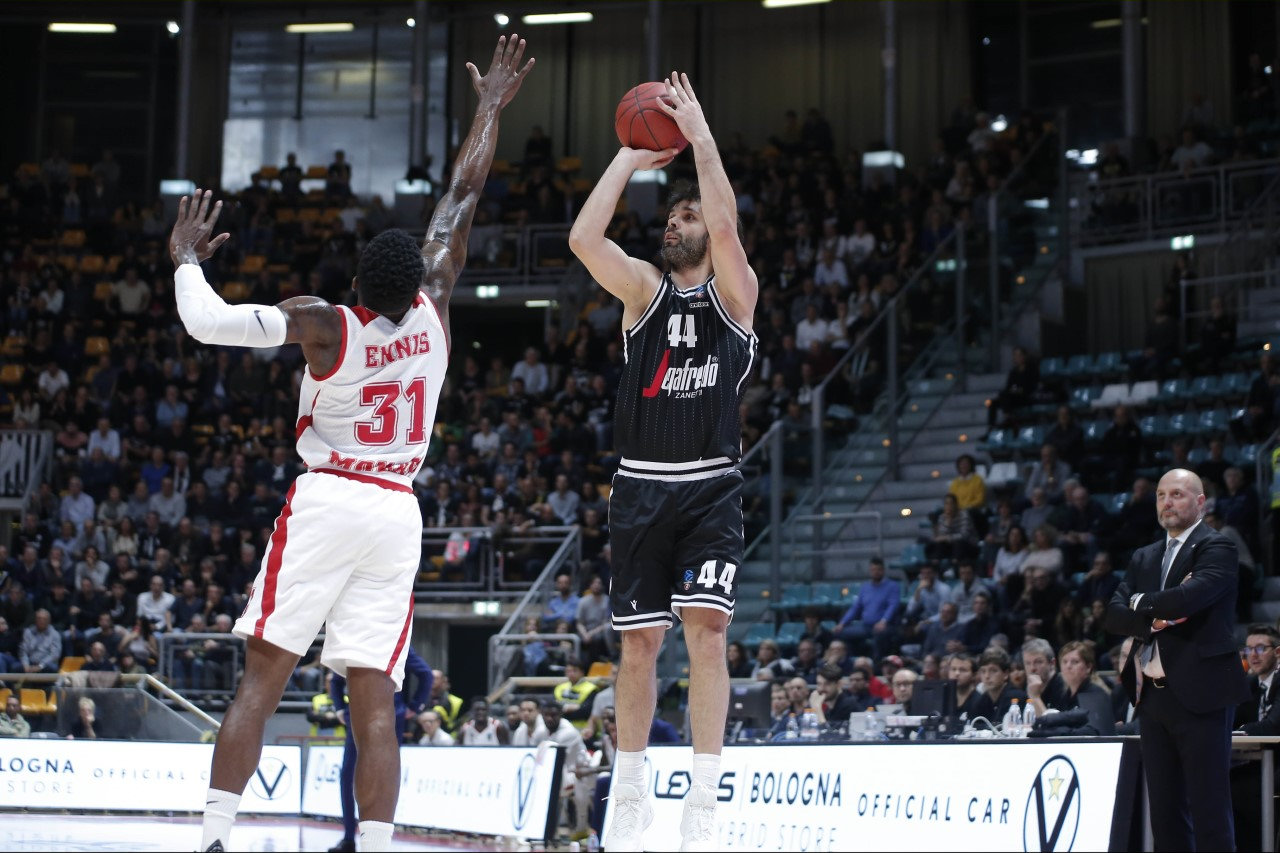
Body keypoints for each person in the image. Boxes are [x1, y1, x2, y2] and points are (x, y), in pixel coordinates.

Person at [194, 35, 534, 853]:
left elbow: (208, 321)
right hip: (395, 511)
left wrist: (181, 260)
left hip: (330, 495)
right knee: (374, 704)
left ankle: (211, 839)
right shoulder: (438, 304)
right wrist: (488, 108)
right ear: (417, 282)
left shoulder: (325, 325)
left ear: (356, 282)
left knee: (264, 680)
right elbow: (462, 191)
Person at [568, 71, 757, 852]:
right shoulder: (642, 294)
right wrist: (626, 156)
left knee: (707, 633)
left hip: (710, 489)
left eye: (688, 213)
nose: (678, 218)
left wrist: (698, 132)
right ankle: (634, 790)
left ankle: (705, 799)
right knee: (638, 645)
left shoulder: (734, 296)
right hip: (639, 491)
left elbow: (724, 218)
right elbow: (584, 240)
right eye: (673, 212)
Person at [1104, 468, 1249, 852]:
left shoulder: (1217, 546)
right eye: (1161, 495)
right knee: (1165, 814)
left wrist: (1141, 603)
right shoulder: (1144, 555)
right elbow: (1112, 614)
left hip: (1203, 693)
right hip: (1152, 697)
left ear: (1200, 502)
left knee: (1209, 809)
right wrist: (1153, 608)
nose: (1167, 502)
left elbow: (1192, 598)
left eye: (1178, 495)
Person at [328, 649, 431, 852]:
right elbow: (335, 680)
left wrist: (415, 705)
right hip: (383, 715)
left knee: (358, 775)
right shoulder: (390, 640)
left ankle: (364, 839)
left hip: (377, 714)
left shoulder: (360, 641)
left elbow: (426, 674)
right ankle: (357, 838)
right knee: (364, 775)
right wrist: (340, 707)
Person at [1055, 640, 1114, 735]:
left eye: (1075, 662)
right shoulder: (1064, 695)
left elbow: (1095, 732)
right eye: (1064, 662)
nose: (1068, 666)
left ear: (1088, 667)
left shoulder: (1095, 695)